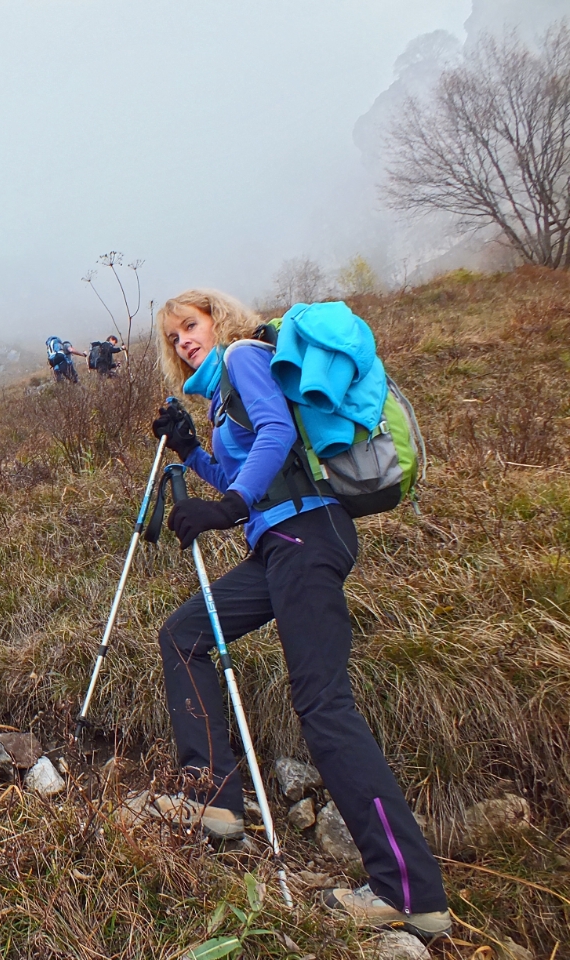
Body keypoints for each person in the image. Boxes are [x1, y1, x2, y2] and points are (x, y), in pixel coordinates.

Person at [148, 289, 450, 941]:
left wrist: (226, 506)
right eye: (173, 338)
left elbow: (280, 435)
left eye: (189, 326)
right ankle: (215, 801)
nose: (183, 342)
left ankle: (410, 892)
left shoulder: (245, 357)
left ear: (216, 319)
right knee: (185, 635)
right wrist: (190, 454)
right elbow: (249, 465)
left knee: (322, 703)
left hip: (307, 535)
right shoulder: (223, 394)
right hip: (278, 546)